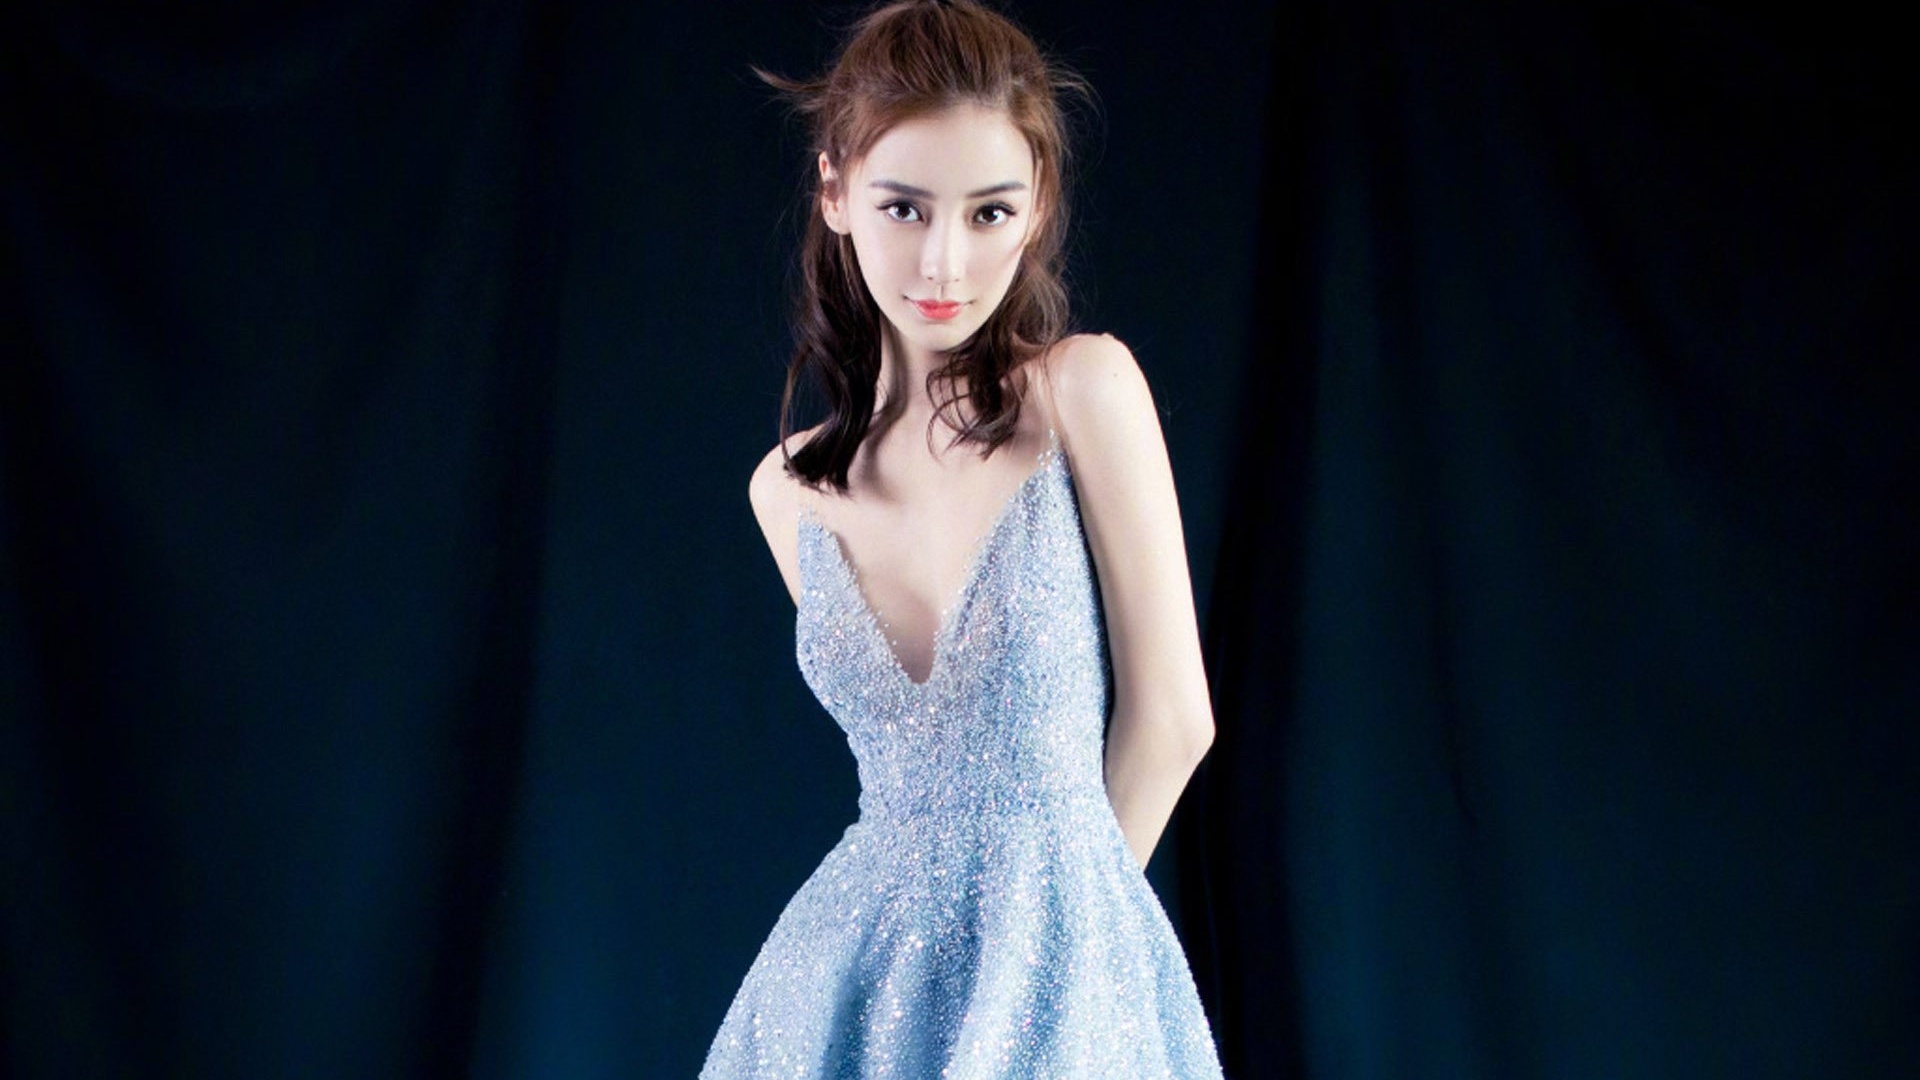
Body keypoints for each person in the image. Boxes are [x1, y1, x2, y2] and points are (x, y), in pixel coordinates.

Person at [703, 2, 1224, 1076]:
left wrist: (1052, 975)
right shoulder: (785, 491)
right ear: (834, 192)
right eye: (904, 206)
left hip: (1066, 974)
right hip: (849, 989)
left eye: (990, 213)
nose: (944, 261)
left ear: (1036, 212)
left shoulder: (1083, 391)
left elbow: (1173, 722)